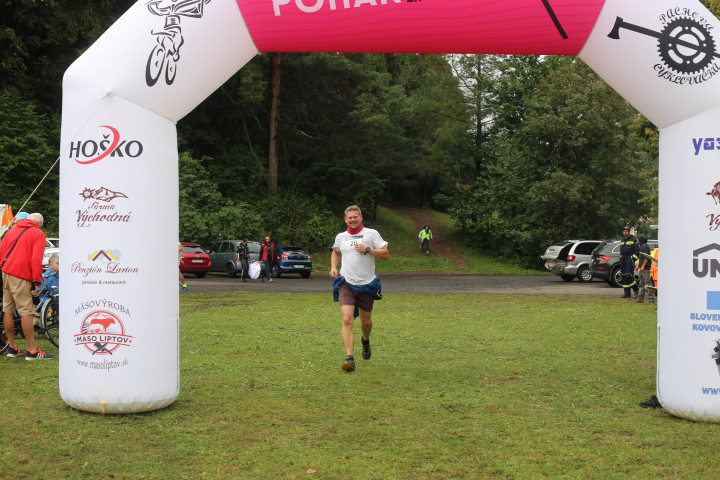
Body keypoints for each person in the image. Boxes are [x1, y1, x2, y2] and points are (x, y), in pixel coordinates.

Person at [330, 205, 389, 372]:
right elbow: (336, 252)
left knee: (366, 322)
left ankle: (365, 340)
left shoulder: (371, 234)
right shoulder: (341, 237)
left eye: (355, 217)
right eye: (350, 217)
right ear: (345, 220)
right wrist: (333, 267)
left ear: (361, 218)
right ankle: (349, 358)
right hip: (346, 283)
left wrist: (367, 249)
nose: (353, 220)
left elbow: (385, 254)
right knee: (347, 319)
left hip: (367, 284)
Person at [0, 212, 53, 360]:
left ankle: (12, 348)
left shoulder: (11, 230)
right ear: (39, 223)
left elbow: (1, 252)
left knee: (8, 310)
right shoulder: (38, 233)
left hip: (6, 273)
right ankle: (32, 351)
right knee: (26, 312)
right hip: (21, 275)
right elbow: (36, 259)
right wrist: (36, 282)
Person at [618, 226, 639, 299]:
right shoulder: (622, 240)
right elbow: (621, 251)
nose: (625, 232)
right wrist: (620, 258)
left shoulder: (633, 239)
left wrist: (632, 259)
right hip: (623, 260)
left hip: (629, 260)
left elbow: (637, 251)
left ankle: (636, 290)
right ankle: (626, 293)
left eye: (626, 231)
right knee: (624, 277)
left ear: (629, 232)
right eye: (624, 231)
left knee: (629, 276)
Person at [634, 234, 654, 304]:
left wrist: (643, 266)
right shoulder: (642, 246)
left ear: (641, 240)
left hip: (645, 268)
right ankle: (640, 299)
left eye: (638, 239)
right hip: (642, 268)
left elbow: (646, 258)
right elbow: (641, 258)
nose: (638, 241)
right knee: (641, 284)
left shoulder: (645, 247)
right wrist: (638, 266)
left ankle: (651, 298)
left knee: (648, 283)